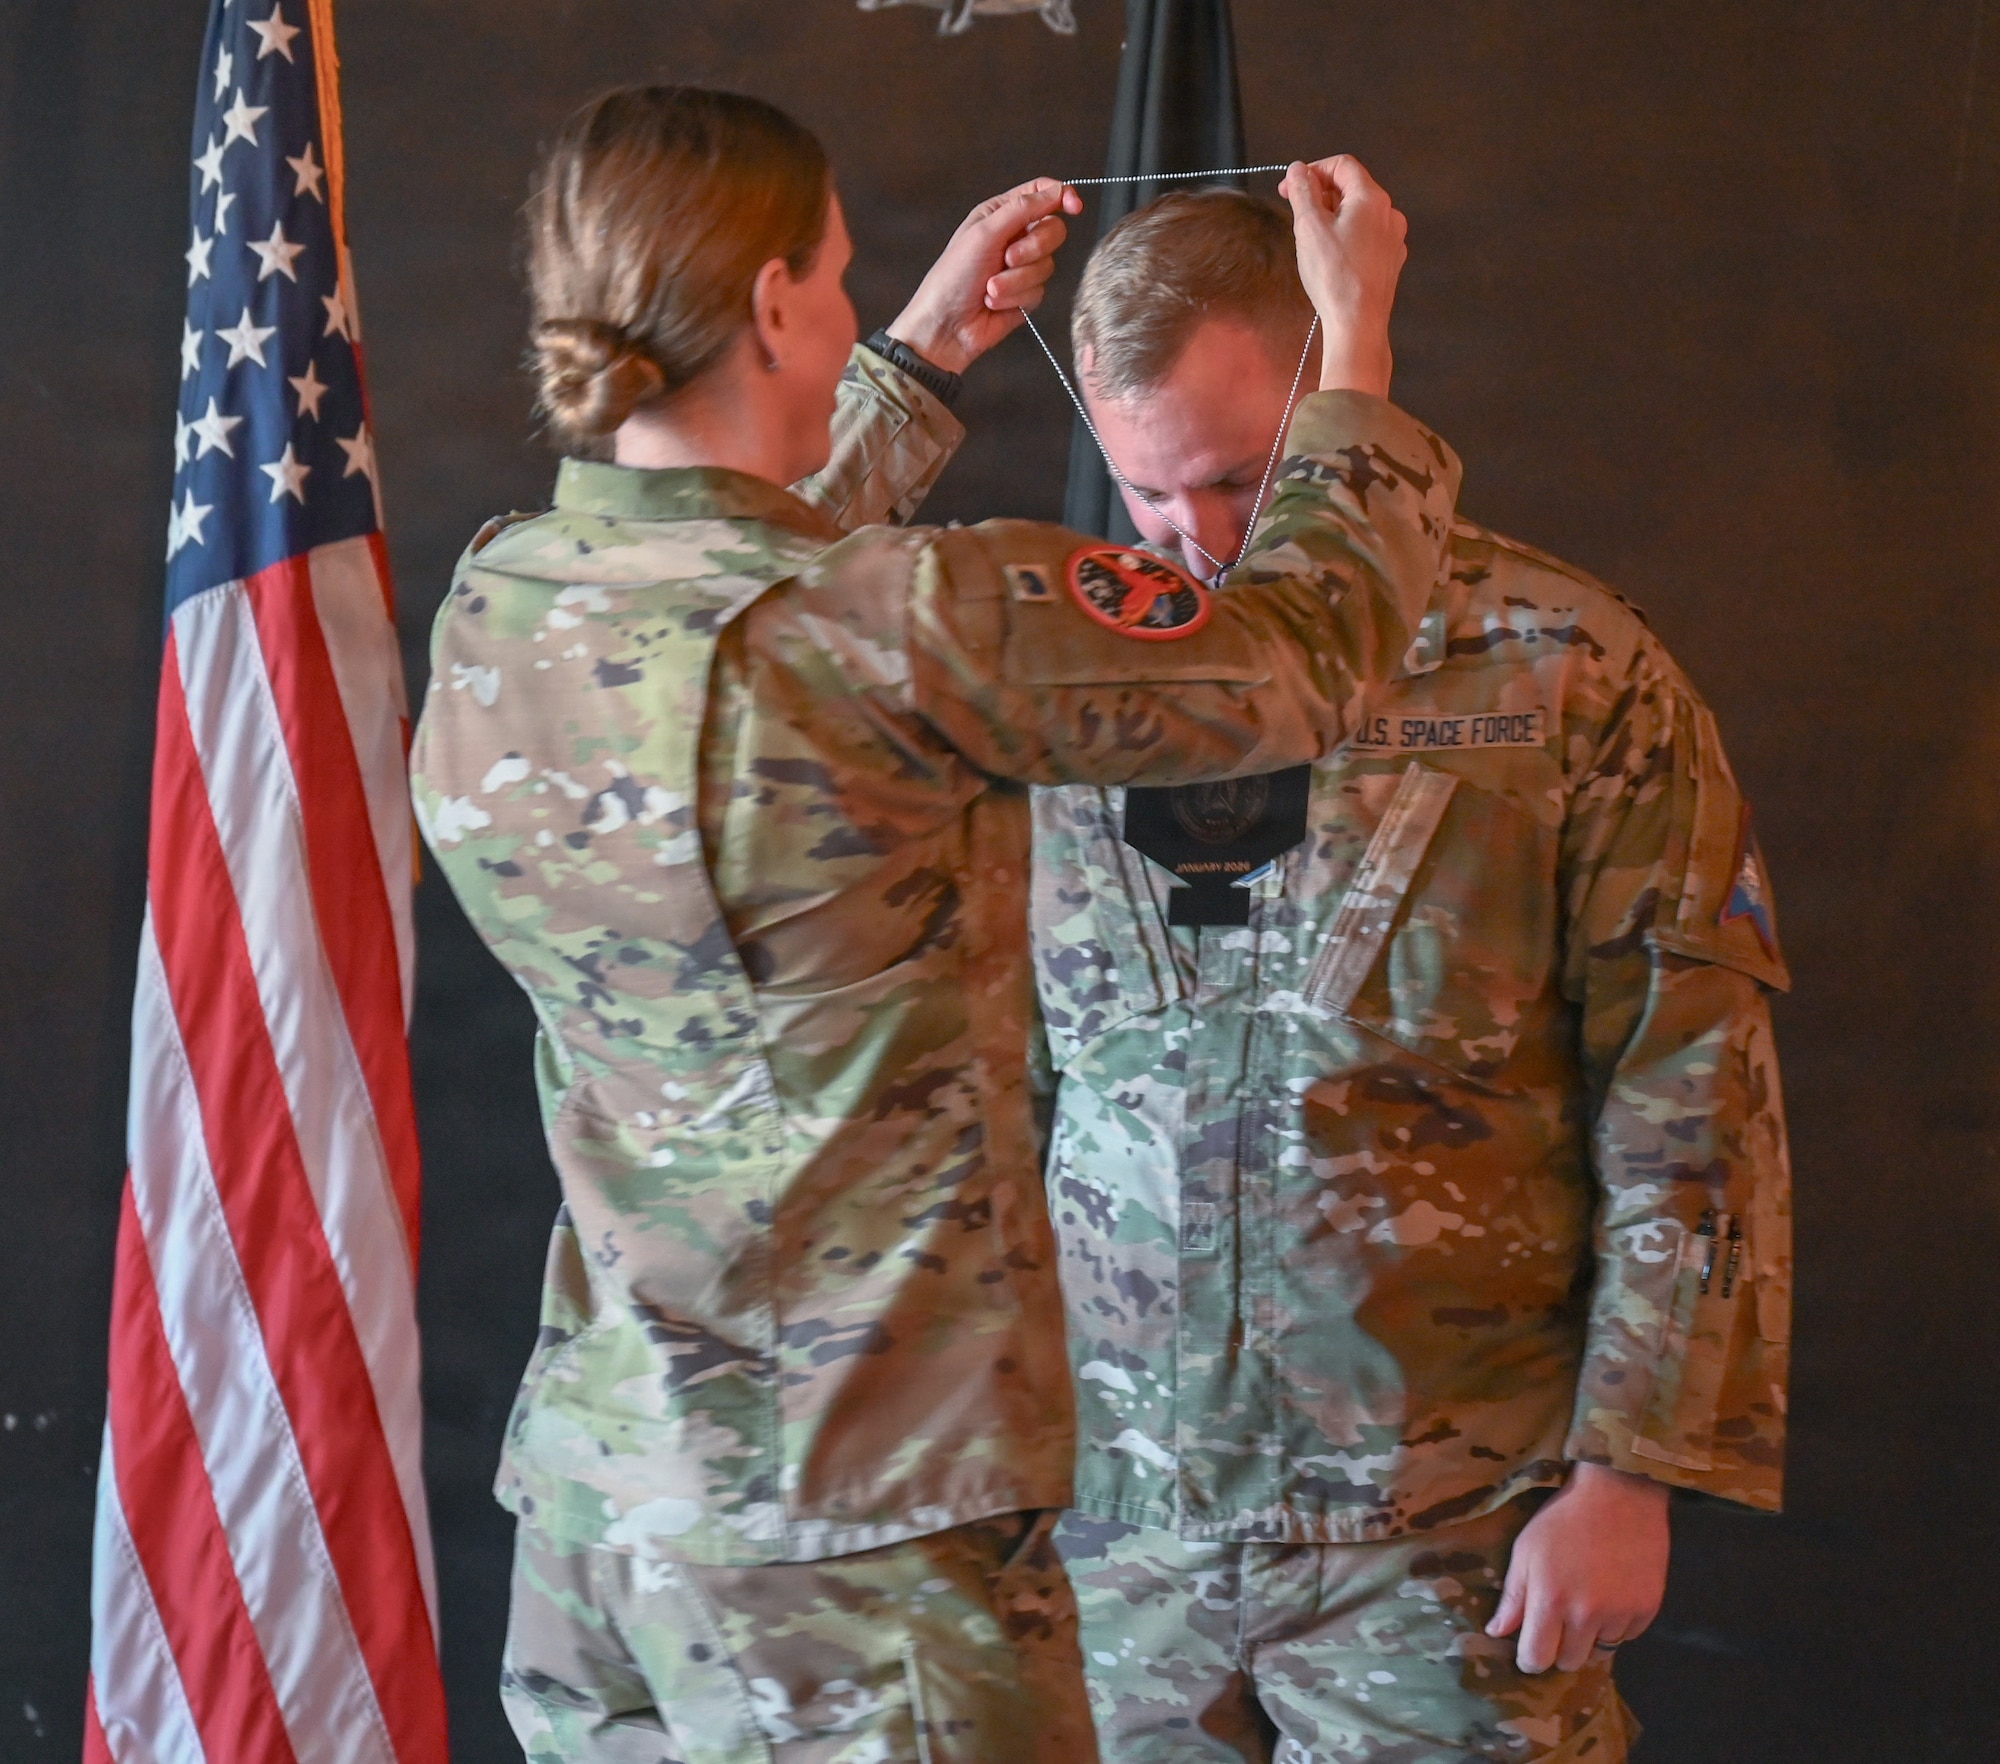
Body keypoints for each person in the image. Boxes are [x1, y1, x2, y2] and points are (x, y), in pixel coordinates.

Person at [410, 86, 1461, 1764]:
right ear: (769, 304)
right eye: (833, 276)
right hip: (857, 1538)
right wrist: (1351, 348)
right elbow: (1297, 661)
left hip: (609, 1524)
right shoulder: (909, 621)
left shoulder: (505, 601)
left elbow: (732, 582)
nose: (845, 301)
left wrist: (903, 367)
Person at [1030, 189, 1794, 1764]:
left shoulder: (1567, 670)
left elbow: (1687, 1083)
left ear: (1337, 392)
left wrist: (1627, 1474)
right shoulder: (1066, 676)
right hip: (1117, 1545)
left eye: (1240, 478)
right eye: (1145, 490)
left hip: (1444, 1543)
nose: (1196, 538)